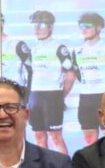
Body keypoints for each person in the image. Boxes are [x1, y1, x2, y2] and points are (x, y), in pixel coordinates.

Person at [72, 12, 105, 145]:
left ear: (99, 27)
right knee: (89, 140)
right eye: (81, 27)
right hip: (85, 98)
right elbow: (78, 74)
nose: (84, 30)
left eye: (88, 26)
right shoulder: (77, 51)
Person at [27, 9, 74, 153]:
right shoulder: (33, 50)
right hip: (35, 96)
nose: (36, 29)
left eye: (40, 25)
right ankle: (44, 167)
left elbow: (71, 75)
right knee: (38, 136)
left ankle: (65, 166)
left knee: (55, 137)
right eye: (34, 25)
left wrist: (60, 96)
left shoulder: (59, 48)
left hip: (52, 96)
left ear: (50, 27)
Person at [0, 13, 32, 87]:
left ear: (2, 23)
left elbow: (31, 70)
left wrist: (28, 91)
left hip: (16, 89)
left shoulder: (17, 44)